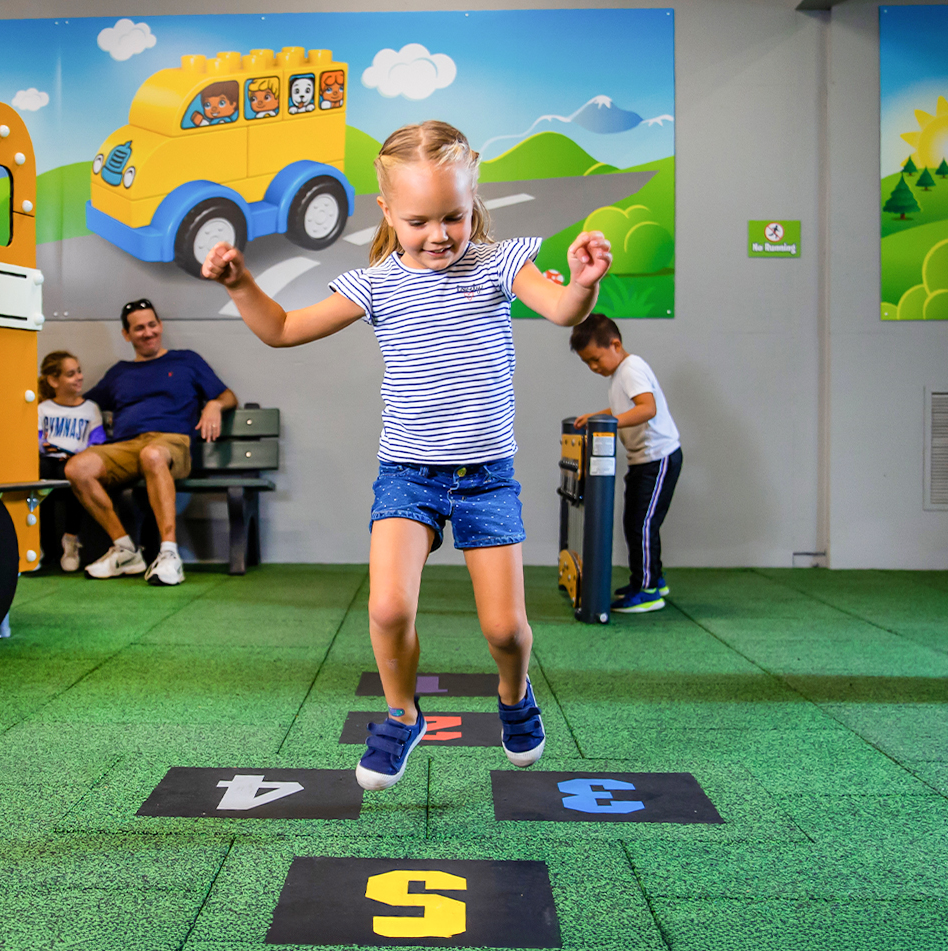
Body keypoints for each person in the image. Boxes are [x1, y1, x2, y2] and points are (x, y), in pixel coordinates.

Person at [201, 120, 611, 790]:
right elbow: (279, 329)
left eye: (454, 215)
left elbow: (564, 309)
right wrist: (240, 280)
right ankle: (401, 714)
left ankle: (514, 696)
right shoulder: (376, 284)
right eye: (420, 220)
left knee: (506, 630)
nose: (440, 234)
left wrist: (587, 282)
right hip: (407, 476)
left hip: (486, 479)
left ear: (473, 198)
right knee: (389, 609)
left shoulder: (500, 263)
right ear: (388, 211)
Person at [64, 299, 238, 585]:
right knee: (77, 469)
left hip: (171, 443)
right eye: (139, 328)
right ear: (126, 334)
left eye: (152, 325)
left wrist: (215, 406)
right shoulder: (118, 372)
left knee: (153, 455)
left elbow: (228, 395)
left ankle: (169, 554)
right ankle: (125, 549)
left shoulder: (186, 360)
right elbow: (81, 404)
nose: (147, 332)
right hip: (125, 446)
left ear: (160, 326)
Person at [572, 314, 683, 613]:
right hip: (643, 460)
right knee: (636, 523)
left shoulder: (630, 368)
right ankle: (650, 579)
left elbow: (647, 408)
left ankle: (648, 589)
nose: (594, 367)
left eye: (596, 359)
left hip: (658, 457)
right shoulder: (619, 373)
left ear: (615, 344)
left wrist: (607, 424)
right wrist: (598, 416)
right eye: (588, 364)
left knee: (642, 525)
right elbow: (625, 407)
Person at [37, 350, 105, 572]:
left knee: (76, 472)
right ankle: (45, 549)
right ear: (54, 380)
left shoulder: (90, 408)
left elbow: (97, 442)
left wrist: (78, 455)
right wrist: (50, 448)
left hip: (76, 462)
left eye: (79, 372)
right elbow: (37, 440)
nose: (78, 377)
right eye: (70, 374)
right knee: (42, 476)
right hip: (49, 462)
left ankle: (71, 541)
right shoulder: (43, 409)